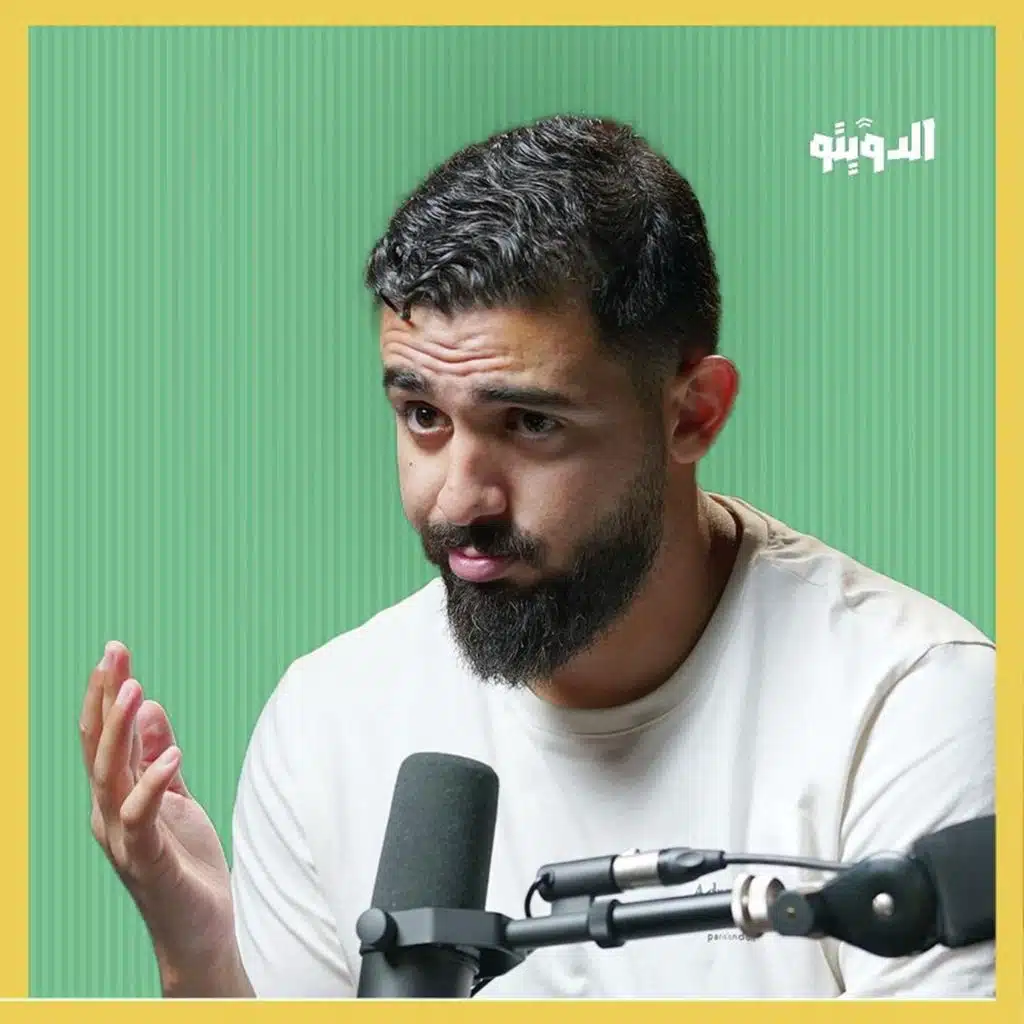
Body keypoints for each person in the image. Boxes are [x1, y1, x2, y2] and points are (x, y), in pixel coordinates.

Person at [79, 114, 995, 999]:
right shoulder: (328, 722)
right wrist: (200, 965)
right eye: (423, 416)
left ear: (693, 414)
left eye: (529, 423)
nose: (457, 500)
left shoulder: (913, 707)